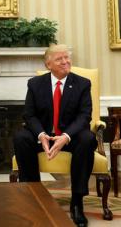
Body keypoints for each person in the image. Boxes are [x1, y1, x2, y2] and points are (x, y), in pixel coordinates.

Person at [13, 44, 97, 227]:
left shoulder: (82, 84)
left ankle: (77, 202)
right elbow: (29, 114)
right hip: (44, 136)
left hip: (70, 137)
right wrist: (41, 135)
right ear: (48, 64)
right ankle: (33, 195)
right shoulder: (35, 84)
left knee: (88, 139)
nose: (65, 62)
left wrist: (66, 136)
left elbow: (85, 116)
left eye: (67, 57)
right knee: (21, 138)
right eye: (60, 59)